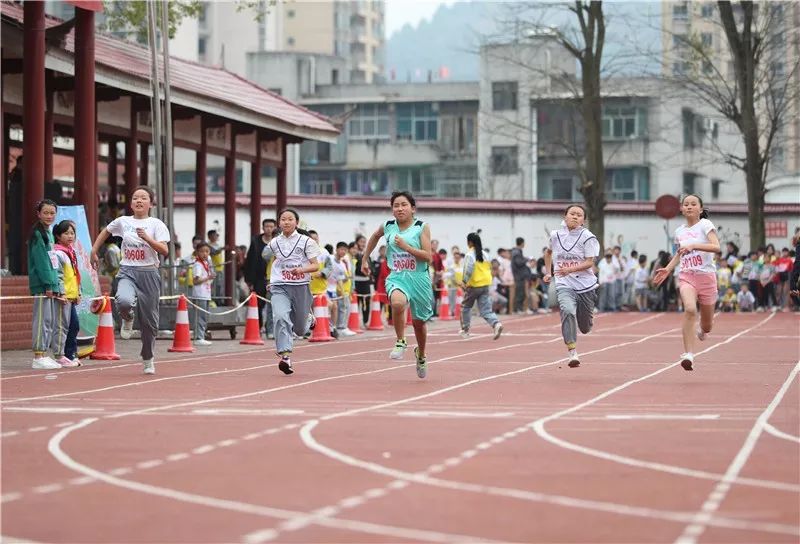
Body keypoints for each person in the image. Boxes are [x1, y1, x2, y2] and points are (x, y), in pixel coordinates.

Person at [91, 186, 170, 375]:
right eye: (135, 198)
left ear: (151, 203)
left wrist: (148, 239)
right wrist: (94, 250)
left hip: (149, 273)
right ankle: (128, 317)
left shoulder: (156, 224)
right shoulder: (123, 221)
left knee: (150, 324)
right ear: (131, 202)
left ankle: (148, 358)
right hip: (127, 270)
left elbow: (164, 250)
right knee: (124, 300)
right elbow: (106, 231)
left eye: (143, 198)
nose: (139, 201)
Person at [362, 191, 433, 379]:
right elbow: (374, 237)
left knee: (419, 324)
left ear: (413, 209)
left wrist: (406, 247)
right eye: (396, 205)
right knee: (398, 303)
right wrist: (365, 257)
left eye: (404, 205)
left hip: (419, 278)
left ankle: (421, 355)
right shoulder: (387, 226)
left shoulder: (421, 227)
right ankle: (401, 340)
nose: (400, 209)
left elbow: (428, 257)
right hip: (398, 276)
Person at [653, 193, 721, 371]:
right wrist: (667, 269)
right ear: (682, 209)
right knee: (690, 309)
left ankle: (702, 331)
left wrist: (694, 245)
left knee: (707, 326)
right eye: (686, 204)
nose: (689, 207)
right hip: (687, 276)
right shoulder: (679, 232)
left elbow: (716, 247)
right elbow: (679, 253)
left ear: (700, 208)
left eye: (693, 204)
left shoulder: (705, 225)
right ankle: (689, 354)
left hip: (707, 278)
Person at [261, 209, 321, 375]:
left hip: (300, 286)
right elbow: (266, 256)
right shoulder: (274, 243)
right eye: (283, 219)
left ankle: (308, 318)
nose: (286, 222)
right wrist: (272, 280)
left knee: (300, 330)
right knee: (280, 317)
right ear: (279, 223)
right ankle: (285, 356)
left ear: (296, 222)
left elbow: (316, 266)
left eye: (290, 219)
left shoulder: (306, 241)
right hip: (280, 286)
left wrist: (301, 269)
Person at [543, 204, 600, 368]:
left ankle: (588, 319)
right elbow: (548, 253)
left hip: (585, 285)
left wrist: (570, 269)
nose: (575, 217)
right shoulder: (555, 235)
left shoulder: (588, 237)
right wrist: (549, 272)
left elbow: (590, 262)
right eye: (572, 214)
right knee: (567, 310)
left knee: (585, 327)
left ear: (584, 220)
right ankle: (572, 352)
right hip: (564, 283)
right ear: (565, 216)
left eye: (579, 215)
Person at [28, 199, 62, 369]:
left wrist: (55, 284)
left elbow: (52, 261)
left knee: (49, 319)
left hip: (51, 283)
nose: (49, 216)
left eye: (52, 213)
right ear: (38, 214)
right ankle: (38, 355)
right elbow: (41, 261)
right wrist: (48, 284)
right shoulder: (37, 234)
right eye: (46, 213)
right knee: (42, 319)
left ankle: (44, 354)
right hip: (43, 285)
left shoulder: (48, 232)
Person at [459, 232, 503, 340]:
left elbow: (468, 269)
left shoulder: (469, 254)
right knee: (485, 310)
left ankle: (465, 330)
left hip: (474, 285)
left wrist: (464, 281)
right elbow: (489, 268)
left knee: (466, 307)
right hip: (485, 284)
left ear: (469, 242)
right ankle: (496, 324)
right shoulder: (485, 254)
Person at [52, 220, 82, 367]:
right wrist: (61, 293)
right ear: (58, 236)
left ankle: (70, 354)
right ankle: (60, 354)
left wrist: (78, 292)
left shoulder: (71, 252)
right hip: (63, 297)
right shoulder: (58, 252)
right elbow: (58, 275)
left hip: (72, 296)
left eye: (72, 233)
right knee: (61, 326)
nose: (70, 236)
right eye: (66, 233)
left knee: (74, 325)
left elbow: (75, 275)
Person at [244, 218, 277, 335]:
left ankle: (270, 329)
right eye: (266, 226)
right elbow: (249, 260)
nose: (269, 229)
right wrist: (248, 279)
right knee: (258, 303)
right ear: (263, 228)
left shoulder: (278, 242)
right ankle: (258, 326)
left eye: (271, 226)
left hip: (274, 278)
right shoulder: (256, 241)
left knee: (272, 304)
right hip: (258, 278)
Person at [191, 242, 214, 346]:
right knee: (200, 317)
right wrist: (207, 278)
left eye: (207, 251)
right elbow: (196, 281)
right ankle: (198, 337)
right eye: (202, 251)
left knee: (204, 316)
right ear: (197, 252)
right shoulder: (197, 264)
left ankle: (201, 335)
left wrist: (210, 277)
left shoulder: (206, 264)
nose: (205, 254)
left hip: (206, 293)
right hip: (199, 294)